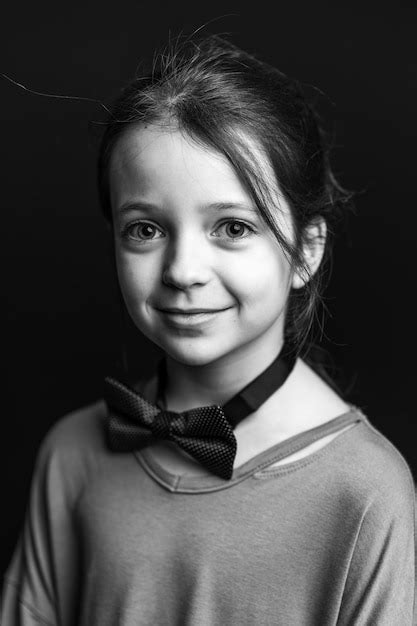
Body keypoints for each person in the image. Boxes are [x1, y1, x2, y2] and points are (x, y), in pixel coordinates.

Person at [1, 34, 415, 625]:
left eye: (233, 227)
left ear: (306, 250)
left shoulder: (364, 491)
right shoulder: (72, 455)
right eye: (145, 229)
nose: (184, 272)